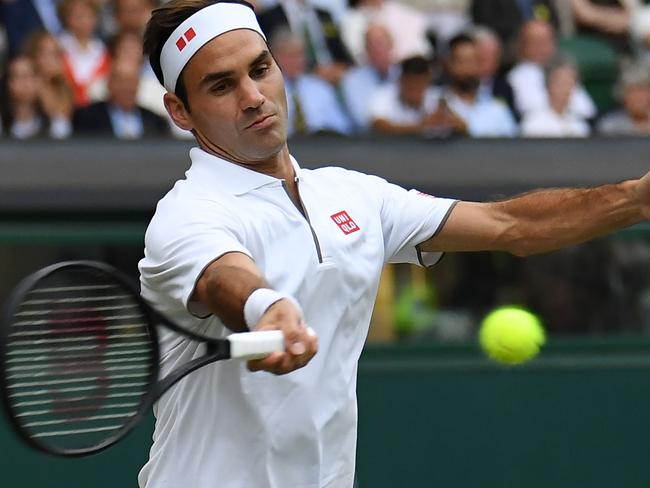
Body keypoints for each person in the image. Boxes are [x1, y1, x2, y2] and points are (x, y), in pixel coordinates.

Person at [138, 1, 649, 487]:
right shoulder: (186, 214)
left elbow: (510, 225)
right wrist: (266, 307)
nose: (253, 96)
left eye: (261, 68)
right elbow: (224, 275)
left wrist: (636, 199)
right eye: (222, 86)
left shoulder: (353, 195)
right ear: (180, 111)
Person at [507, 19, 596, 119]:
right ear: (523, 46)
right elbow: (530, 108)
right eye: (536, 42)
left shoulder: (564, 70)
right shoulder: (519, 76)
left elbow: (586, 110)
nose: (543, 47)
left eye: (547, 41)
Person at [270, 29, 352, 136]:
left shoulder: (321, 88)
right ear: (275, 57)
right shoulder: (269, 90)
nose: (295, 61)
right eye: (289, 55)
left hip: (319, 147)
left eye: (299, 55)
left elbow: (341, 127)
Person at [438, 33, 517, 137]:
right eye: (461, 62)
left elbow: (513, 146)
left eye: (472, 62)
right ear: (449, 65)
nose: (467, 69)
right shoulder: (432, 102)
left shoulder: (497, 110)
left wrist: (467, 129)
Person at [257, 0, 353, 84]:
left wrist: (340, 67)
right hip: (293, 79)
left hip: (332, 75)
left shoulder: (324, 15)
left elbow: (339, 49)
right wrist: (313, 72)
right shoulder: (269, 17)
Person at [370, 55, 466, 136]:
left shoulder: (438, 97)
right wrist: (422, 126)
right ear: (401, 81)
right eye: (411, 87)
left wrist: (447, 120)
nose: (415, 92)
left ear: (428, 81)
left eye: (420, 86)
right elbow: (380, 127)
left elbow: (464, 128)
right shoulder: (383, 95)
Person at [73, 58, 168, 138]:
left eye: (131, 81)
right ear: (109, 84)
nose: (127, 88)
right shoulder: (86, 118)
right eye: (121, 81)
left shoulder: (156, 122)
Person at [340, 23, 398, 132]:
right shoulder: (352, 80)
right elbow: (363, 121)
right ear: (366, 49)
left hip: (406, 140)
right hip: (368, 143)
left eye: (381, 43)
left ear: (392, 44)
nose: (377, 49)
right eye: (371, 44)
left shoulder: (404, 74)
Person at [57, 0, 111, 106]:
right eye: (78, 16)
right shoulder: (58, 47)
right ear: (67, 19)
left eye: (88, 15)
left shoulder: (102, 51)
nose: (84, 21)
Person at [521, 57, 591, 137]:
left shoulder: (579, 124)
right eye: (561, 82)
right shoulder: (533, 123)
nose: (566, 88)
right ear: (548, 85)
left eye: (570, 82)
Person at [598, 61, 650, 135]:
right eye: (631, 92)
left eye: (642, 90)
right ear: (622, 96)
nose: (638, 97)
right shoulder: (610, 125)